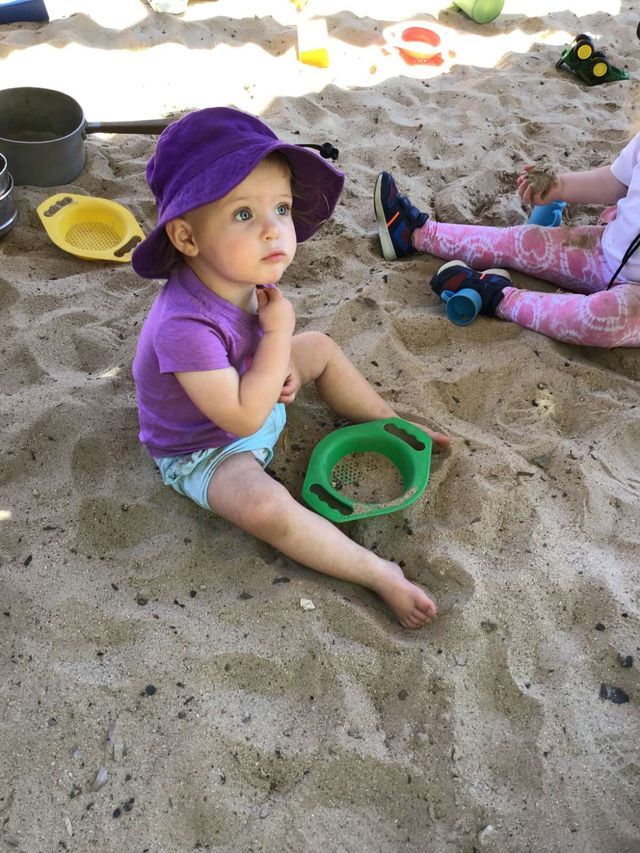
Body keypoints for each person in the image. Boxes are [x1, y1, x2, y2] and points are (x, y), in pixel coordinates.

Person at [131, 107, 450, 630]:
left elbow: (257, 357)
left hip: (252, 389)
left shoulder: (237, 269)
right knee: (266, 510)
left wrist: (281, 363)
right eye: (243, 215)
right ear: (187, 239)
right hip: (205, 447)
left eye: (281, 208)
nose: (273, 231)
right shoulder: (181, 326)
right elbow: (242, 419)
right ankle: (377, 571)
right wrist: (278, 339)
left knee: (319, 346)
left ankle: (392, 424)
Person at [374, 134, 640, 348]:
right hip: (606, 249)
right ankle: (415, 234)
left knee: (602, 317)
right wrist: (560, 187)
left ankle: (497, 295)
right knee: (527, 240)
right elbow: (616, 181)